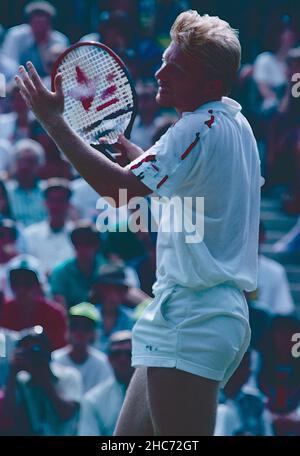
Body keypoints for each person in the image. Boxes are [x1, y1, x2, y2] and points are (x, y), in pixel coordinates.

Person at [15, 10, 261, 436]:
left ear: (211, 86)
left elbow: (119, 192)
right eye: (165, 59)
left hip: (196, 315)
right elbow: (160, 191)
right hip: (183, 312)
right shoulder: (233, 123)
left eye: (176, 68)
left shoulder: (195, 127)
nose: (160, 72)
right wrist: (129, 152)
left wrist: (52, 120)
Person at [0, 326, 81, 436]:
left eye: (36, 350)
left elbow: (66, 414)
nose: (33, 357)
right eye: (27, 351)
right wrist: (13, 373)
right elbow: (6, 415)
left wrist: (45, 380)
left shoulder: (69, 375)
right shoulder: (21, 380)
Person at [0, 255, 67, 351]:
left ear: (39, 285)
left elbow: (59, 352)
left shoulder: (55, 314)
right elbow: (1, 352)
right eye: (16, 283)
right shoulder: (4, 311)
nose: (21, 290)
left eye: (27, 283)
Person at [79, 330, 134, 436]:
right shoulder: (92, 400)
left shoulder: (154, 393)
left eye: (129, 353)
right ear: (108, 358)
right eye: (116, 354)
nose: (123, 358)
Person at [52, 302, 113, 393]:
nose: (79, 331)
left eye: (86, 326)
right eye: (75, 325)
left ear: (93, 333)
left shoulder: (102, 363)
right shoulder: (55, 359)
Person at [50, 221, 106, 308]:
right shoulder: (60, 272)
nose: (83, 247)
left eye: (89, 241)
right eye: (78, 241)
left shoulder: (107, 270)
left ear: (97, 244)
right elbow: (60, 309)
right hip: (72, 319)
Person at [23, 178, 74, 273]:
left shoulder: (77, 234)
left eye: (60, 200)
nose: (56, 205)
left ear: (68, 204)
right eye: (52, 200)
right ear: (45, 203)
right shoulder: (30, 234)